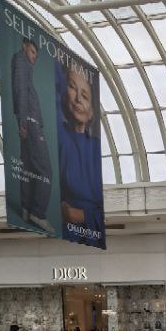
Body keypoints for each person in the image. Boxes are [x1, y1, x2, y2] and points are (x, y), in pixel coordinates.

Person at [57, 62, 105, 245]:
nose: (78, 99)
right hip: (66, 235)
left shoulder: (96, 149)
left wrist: (81, 215)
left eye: (85, 96)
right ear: (63, 95)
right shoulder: (59, 135)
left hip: (91, 236)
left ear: (92, 111)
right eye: (72, 87)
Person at [11, 38, 52, 232]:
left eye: (36, 54)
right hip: (30, 122)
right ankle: (38, 213)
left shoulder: (23, 64)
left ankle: (26, 210)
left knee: (27, 167)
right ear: (24, 47)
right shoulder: (21, 61)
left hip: (27, 121)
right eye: (33, 51)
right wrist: (24, 122)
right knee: (45, 170)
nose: (34, 57)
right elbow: (20, 91)